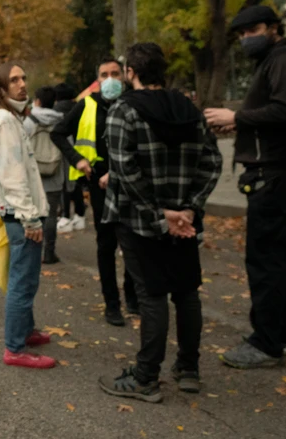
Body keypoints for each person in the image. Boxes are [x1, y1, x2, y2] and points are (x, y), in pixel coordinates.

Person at [98, 43, 222, 403]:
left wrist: (156, 213)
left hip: (138, 221)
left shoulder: (124, 110)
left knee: (152, 296)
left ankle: (146, 376)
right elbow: (212, 161)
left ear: (131, 73)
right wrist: (190, 208)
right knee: (186, 292)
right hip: (184, 220)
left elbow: (124, 169)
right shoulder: (188, 109)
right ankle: (188, 368)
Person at [204, 5, 286, 369]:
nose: (246, 39)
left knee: (266, 259)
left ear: (273, 27)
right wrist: (240, 125)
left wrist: (237, 116)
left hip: (276, 173)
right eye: (241, 34)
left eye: (252, 30)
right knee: (282, 257)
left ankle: (266, 342)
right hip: (280, 169)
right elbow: (277, 116)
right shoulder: (280, 58)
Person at [51, 59, 139, 327]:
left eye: (115, 73)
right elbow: (58, 133)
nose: (110, 78)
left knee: (133, 242)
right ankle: (112, 304)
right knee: (107, 244)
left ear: (124, 76)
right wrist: (77, 159)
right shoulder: (87, 104)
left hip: (131, 182)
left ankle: (133, 298)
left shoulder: (134, 102)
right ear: (97, 80)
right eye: (104, 74)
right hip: (99, 184)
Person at [0, 64, 54, 370]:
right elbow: (12, 176)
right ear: (1, 89)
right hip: (21, 215)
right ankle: (14, 347)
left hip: (19, 213)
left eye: (23, 78)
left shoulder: (8, 118)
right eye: (14, 80)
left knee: (25, 277)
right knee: (22, 282)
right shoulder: (3, 121)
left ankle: (25, 330)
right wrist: (30, 218)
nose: (22, 84)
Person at [23, 86, 66, 265]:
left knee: (33, 212)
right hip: (55, 172)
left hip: (33, 174)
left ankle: (33, 250)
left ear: (38, 101)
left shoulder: (28, 121)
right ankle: (49, 252)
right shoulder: (60, 121)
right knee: (51, 215)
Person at [52, 83, 86, 231]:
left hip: (63, 152)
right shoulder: (80, 108)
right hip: (81, 152)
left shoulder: (55, 112)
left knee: (64, 185)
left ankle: (65, 216)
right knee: (76, 185)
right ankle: (80, 214)